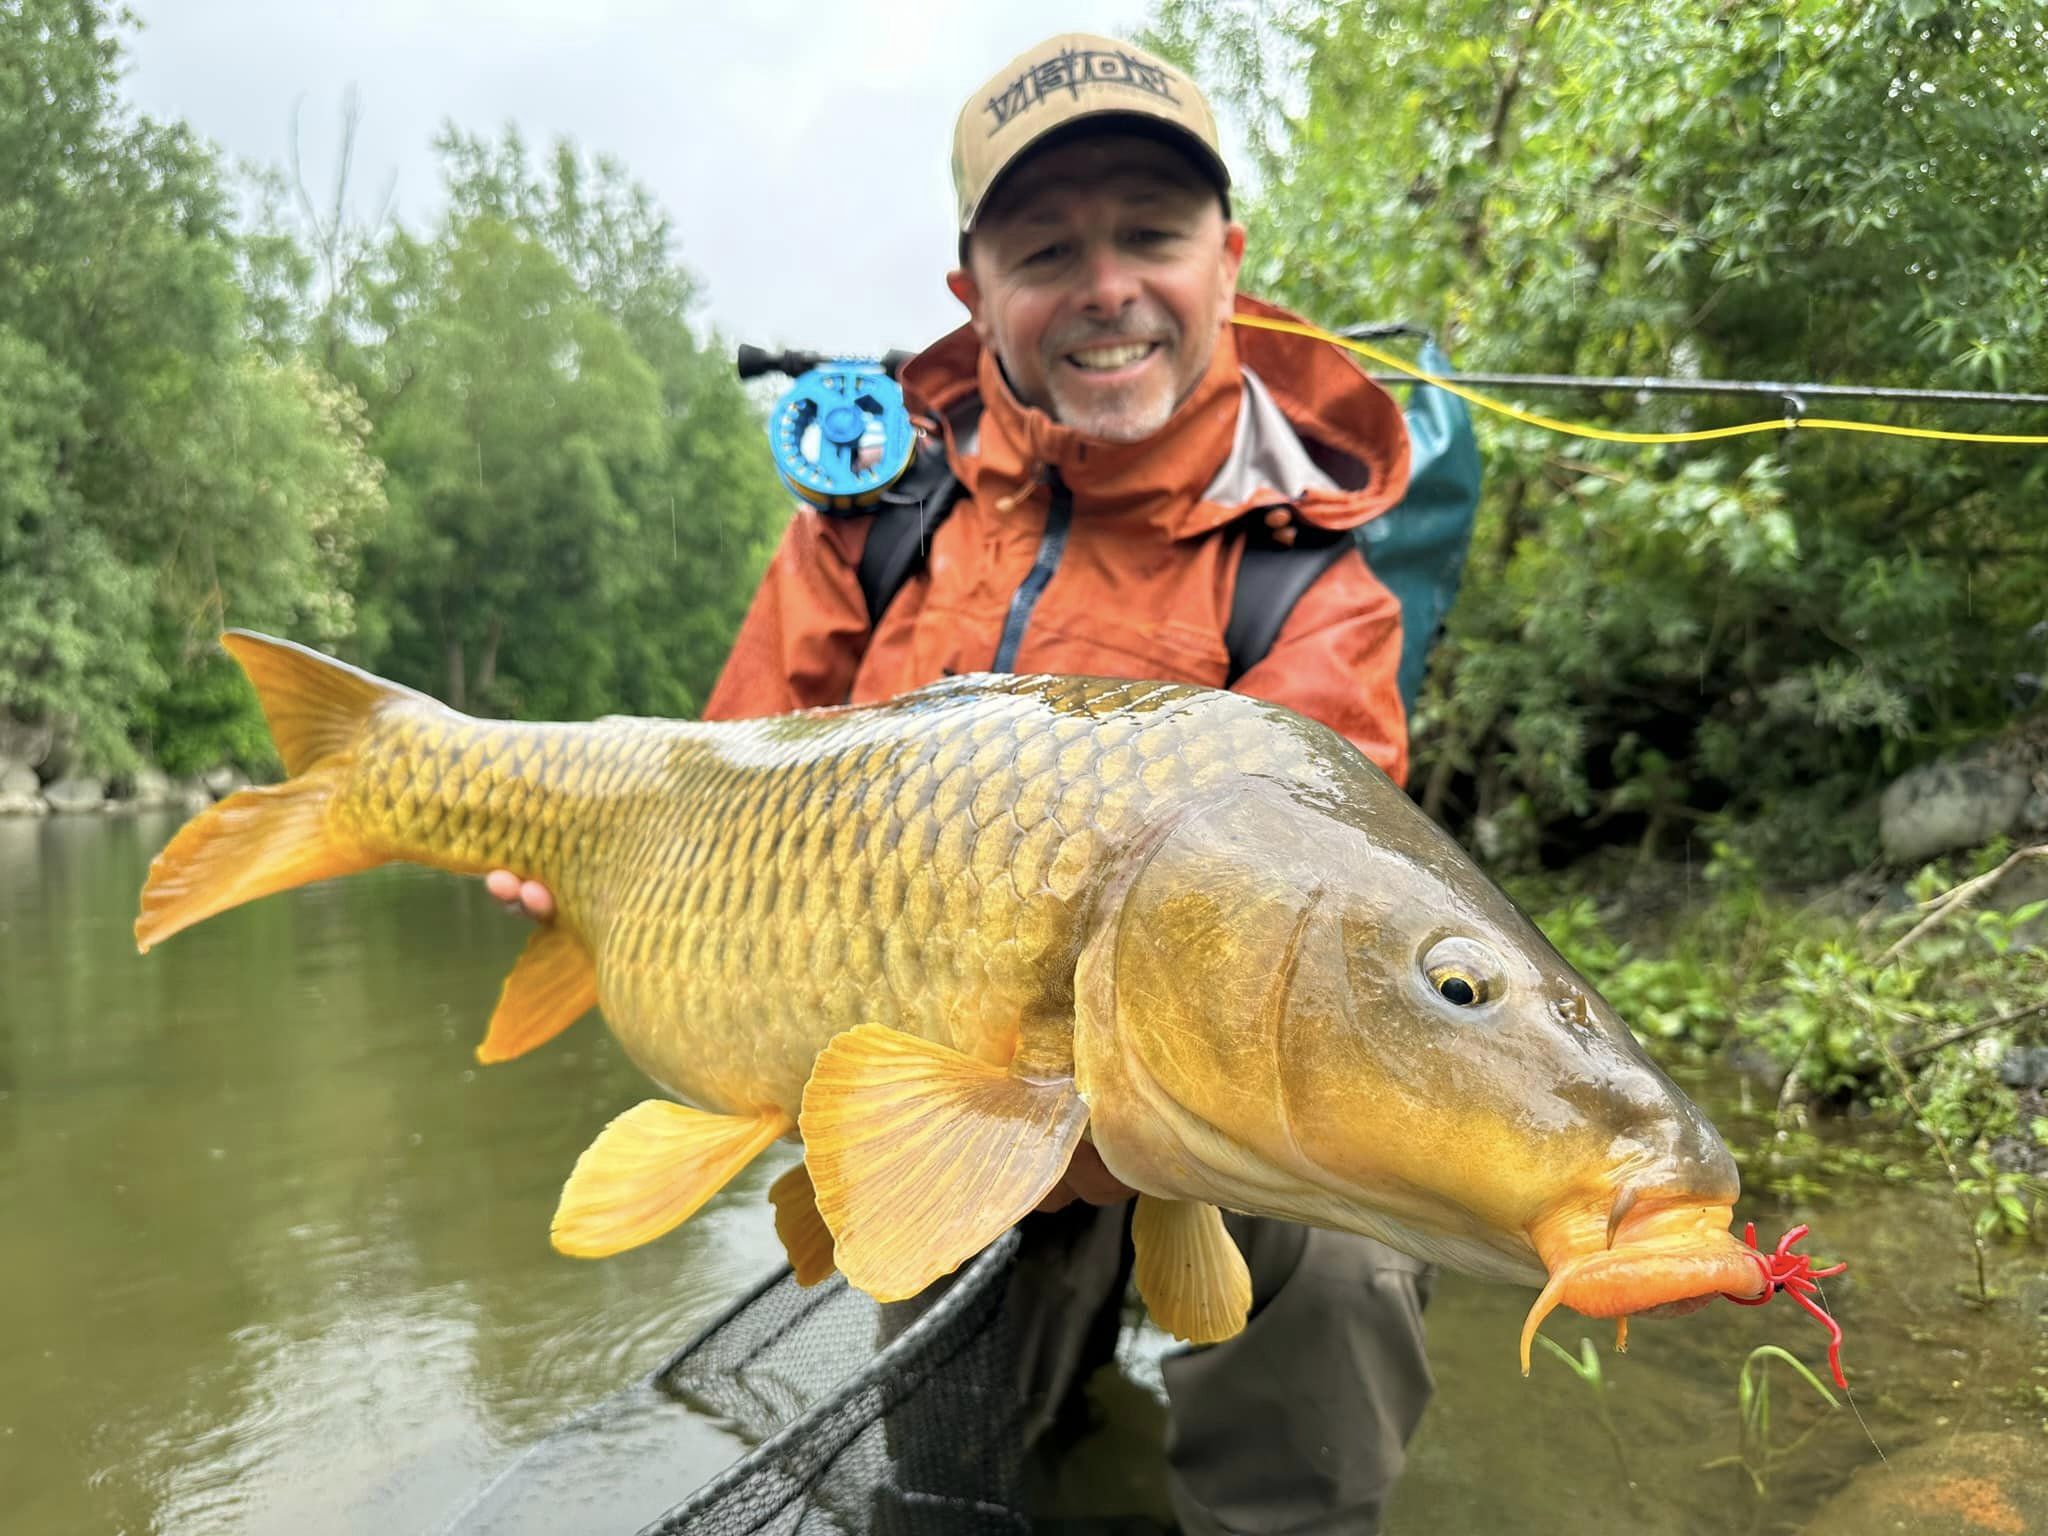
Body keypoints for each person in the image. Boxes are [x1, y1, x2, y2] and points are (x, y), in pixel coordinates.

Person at [487, 32, 1436, 1534]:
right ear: (972, 293)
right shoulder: (873, 521)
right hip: (942, 1097)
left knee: (1342, 1247)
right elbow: (719, 781)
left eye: (1151, 234)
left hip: (1200, 1099)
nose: (1106, 285)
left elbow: (1323, 927)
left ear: (1229, 258)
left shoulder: (1313, 582)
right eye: (1047, 247)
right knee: (957, 1474)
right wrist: (591, 875)